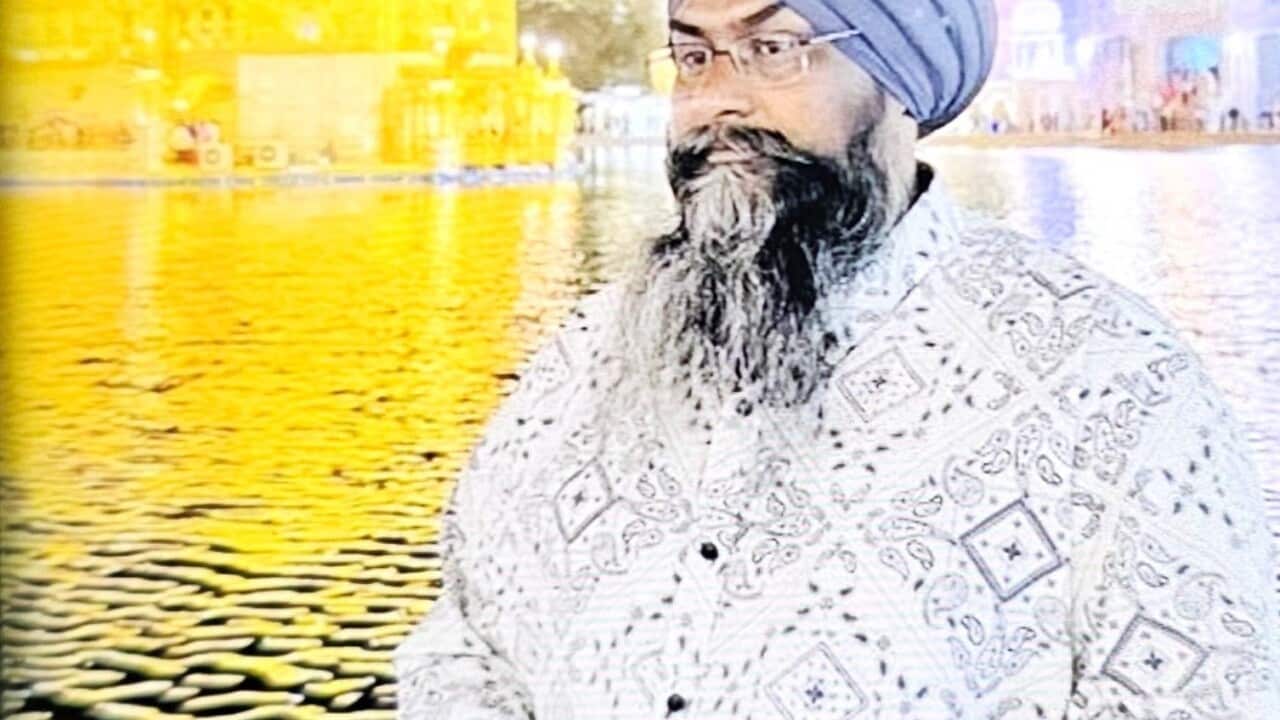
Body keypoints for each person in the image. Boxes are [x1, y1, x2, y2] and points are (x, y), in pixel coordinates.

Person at [394, 1, 1280, 718]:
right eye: (694, 57)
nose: (717, 103)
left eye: (775, 48)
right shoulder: (585, 356)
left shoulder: (1111, 382)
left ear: (900, 81)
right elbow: (463, 641)